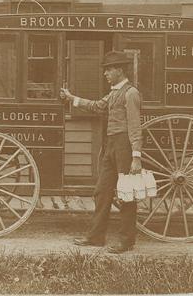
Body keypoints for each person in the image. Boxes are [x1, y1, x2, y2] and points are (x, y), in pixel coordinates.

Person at [60, 50, 142, 254]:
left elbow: (135, 127)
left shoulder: (131, 93)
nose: (105, 73)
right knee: (102, 191)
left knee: (127, 194)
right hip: (111, 145)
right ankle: (96, 237)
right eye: (106, 70)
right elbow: (97, 106)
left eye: (109, 70)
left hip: (125, 146)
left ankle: (126, 241)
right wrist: (72, 98)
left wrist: (136, 157)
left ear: (120, 71)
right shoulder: (114, 92)